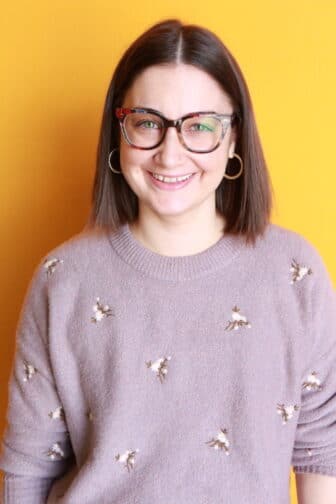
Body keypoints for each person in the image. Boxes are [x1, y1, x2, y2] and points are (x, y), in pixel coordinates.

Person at [0, 18, 335, 504]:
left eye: (200, 126)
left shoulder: (293, 273)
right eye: (148, 124)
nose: (170, 154)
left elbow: (322, 449)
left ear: (235, 137)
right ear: (121, 131)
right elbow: (26, 469)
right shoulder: (63, 280)